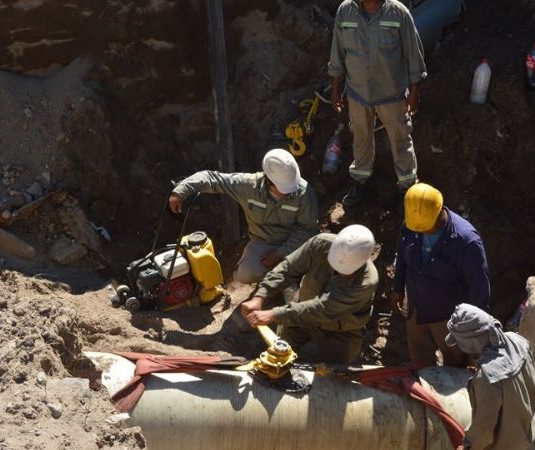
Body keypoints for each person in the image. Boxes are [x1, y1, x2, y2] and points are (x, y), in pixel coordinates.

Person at [327, 0, 427, 207]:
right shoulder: (346, 11)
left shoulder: (398, 13)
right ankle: (360, 180)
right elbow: (337, 53)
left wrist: (415, 91)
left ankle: (407, 187)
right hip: (357, 93)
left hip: (392, 94)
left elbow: (413, 53)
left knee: (400, 139)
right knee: (361, 137)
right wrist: (335, 90)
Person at [169, 149, 318, 284]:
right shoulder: (248, 187)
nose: (289, 192)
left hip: (295, 245)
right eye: (284, 189)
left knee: (311, 268)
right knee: (245, 274)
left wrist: (280, 254)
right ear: (269, 181)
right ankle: (278, 281)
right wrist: (180, 192)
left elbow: (308, 230)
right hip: (264, 243)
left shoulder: (304, 193)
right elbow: (212, 178)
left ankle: (288, 280)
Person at [241, 225, 378, 364]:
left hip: (341, 332)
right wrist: (260, 296)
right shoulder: (320, 244)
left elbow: (322, 309)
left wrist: (274, 314)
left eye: (346, 270)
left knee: (329, 372)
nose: (339, 270)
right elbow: (288, 268)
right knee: (278, 356)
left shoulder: (366, 282)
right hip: (301, 315)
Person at [392, 183, 491, 367]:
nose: (420, 231)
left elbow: (479, 287)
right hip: (417, 310)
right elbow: (403, 256)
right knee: (419, 363)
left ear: (438, 214)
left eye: (425, 227)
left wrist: (474, 331)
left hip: (448, 319)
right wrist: (398, 287)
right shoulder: (413, 223)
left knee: (456, 367)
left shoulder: (466, 241)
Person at [445, 303, 535, 450]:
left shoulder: (487, 378)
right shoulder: (518, 341)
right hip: (526, 433)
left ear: (471, 341)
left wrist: (468, 447)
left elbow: (483, 432)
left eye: (459, 341)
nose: (458, 345)